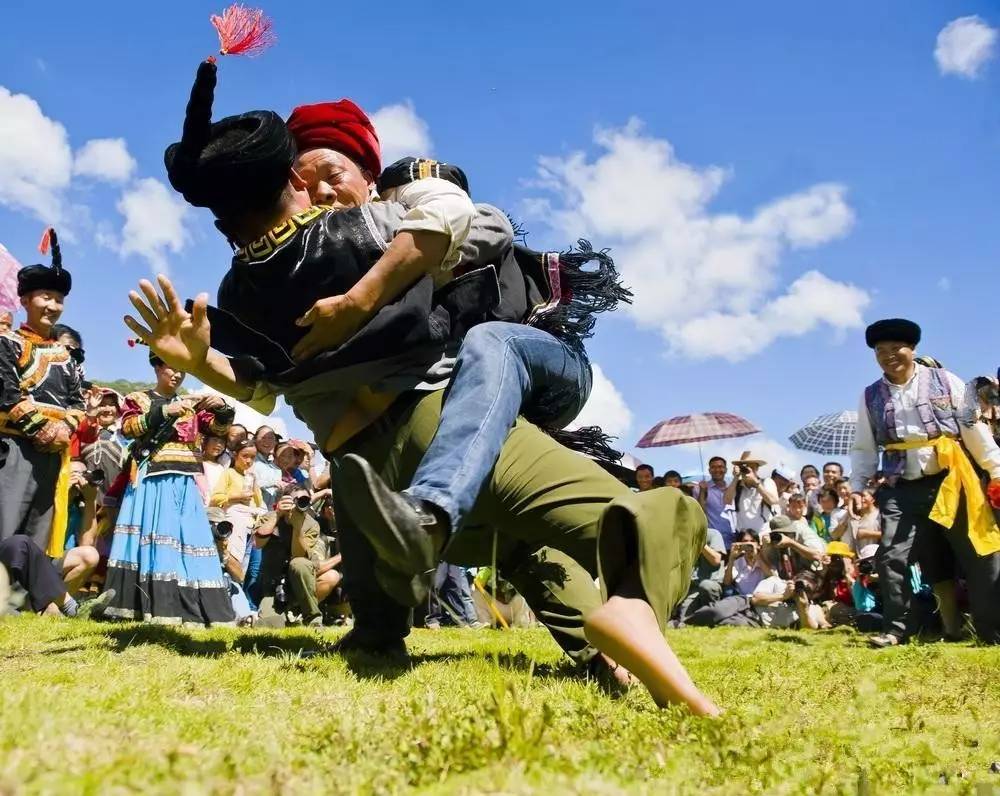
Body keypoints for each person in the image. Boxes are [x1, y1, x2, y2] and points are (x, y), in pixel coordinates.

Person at [128, 60, 719, 715]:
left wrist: (354, 298)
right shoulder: (349, 244)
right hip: (427, 446)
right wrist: (206, 357)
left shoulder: (326, 251)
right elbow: (265, 385)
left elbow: (458, 220)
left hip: (424, 453)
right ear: (291, 179)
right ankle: (594, 611)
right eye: (311, 175)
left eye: (335, 175)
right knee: (653, 522)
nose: (323, 191)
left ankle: (612, 646)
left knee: (541, 551)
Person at [851, 318, 1000, 646]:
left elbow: (973, 429)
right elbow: (863, 445)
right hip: (899, 486)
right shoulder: (869, 395)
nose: (888, 356)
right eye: (880, 351)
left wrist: (996, 469)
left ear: (912, 349)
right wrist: (858, 487)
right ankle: (895, 630)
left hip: (952, 480)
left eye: (895, 348)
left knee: (979, 552)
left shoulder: (947, 381)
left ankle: (991, 632)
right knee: (891, 556)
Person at [103, 351, 237, 626]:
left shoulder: (192, 406)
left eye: (181, 370)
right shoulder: (138, 398)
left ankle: (189, 609)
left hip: (185, 480)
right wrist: (164, 411)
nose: (176, 375)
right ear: (157, 366)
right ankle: (142, 605)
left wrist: (222, 407)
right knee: (156, 538)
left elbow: (220, 428)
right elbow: (128, 428)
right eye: (171, 368)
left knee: (187, 540)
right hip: (152, 478)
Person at [0, 229, 83, 556]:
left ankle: (25, 595)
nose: (52, 305)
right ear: (24, 300)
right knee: (8, 520)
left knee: (42, 524)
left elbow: (77, 401)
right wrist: (43, 429)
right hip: (16, 446)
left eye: (58, 299)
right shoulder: (7, 343)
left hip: (55, 450)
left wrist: (65, 430)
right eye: (44, 297)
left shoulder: (67, 356)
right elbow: (7, 395)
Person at [253, 483, 326, 627]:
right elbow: (258, 543)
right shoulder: (269, 517)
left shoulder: (311, 524)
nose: (300, 503)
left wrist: (297, 526)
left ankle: (313, 618)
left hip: (300, 585)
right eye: (296, 500)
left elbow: (298, 554)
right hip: (273, 587)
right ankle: (287, 617)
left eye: (305, 500)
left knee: (299, 563)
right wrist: (277, 515)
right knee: (270, 625)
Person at [0, 535, 113, 618]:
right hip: (10, 570)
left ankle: (52, 607)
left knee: (89, 555)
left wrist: (89, 504)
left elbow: (87, 538)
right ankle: (71, 609)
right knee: (19, 543)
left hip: (41, 564)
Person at [210, 438, 265, 570]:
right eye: (245, 456)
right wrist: (237, 497)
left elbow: (258, 503)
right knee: (232, 559)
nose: (249, 461)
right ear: (235, 455)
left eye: (252, 457)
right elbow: (215, 498)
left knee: (245, 565)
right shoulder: (229, 473)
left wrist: (255, 484)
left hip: (250, 526)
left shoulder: (250, 477)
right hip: (234, 521)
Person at [673, 525, 727, 625]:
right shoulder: (684, 539)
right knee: (683, 619)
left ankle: (713, 616)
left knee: (706, 586)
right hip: (694, 587)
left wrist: (699, 542)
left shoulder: (713, 534)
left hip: (711, 585)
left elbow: (716, 560)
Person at [724, 452, 780, 536]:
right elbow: (726, 500)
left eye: (752, 467)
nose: (748, 470)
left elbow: (773, 501)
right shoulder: (737, 485)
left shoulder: (766, 482)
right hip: (743, 537)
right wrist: (735, 478)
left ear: (757, 468)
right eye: (745, 467)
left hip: (764, 535)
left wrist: (756, 483)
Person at [831, 487, 880, 554]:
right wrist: (848, 514)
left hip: (873, 557)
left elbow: (889, 535)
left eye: (864, 496)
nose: (860, 499)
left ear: (873, 499)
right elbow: (835, 535)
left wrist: (868, 534)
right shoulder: (852, 516)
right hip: (853, 558)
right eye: (859, 497)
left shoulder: (879, 515)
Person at [699, 456, 734, 548]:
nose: (717, 470)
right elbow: (700, 513)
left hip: (734, 540)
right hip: (714, 543)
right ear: (709, 470)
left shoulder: (733, 489)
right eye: (713, 467)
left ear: (726, 469)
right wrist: (702, 492)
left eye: (720, 467)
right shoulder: (701, 489)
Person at [252, 425, 282, 508]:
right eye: (263, 437)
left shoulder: (277, 469)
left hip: (266, 513)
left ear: (275, 442)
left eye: (271, 438)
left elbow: (275, 499)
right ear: (254, 439)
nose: (267, 441)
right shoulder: (250, 458)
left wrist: (281, 491)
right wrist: (273, 482)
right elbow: (249, 482)